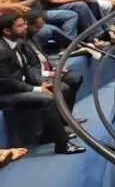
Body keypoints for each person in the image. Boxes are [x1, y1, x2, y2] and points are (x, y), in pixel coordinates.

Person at [0, 14, 85, 154]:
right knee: (47, 99)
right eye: (20, 26)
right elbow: (5, 81)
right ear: (7, 31)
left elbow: (26, 68)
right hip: (5, 94)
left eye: (24, 23)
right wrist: (36, 89)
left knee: (62, 87)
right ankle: (62, 144)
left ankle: (52, 132)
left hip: (19, 86)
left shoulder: (18, 43)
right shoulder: (1, 51)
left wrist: (40, 82)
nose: (25, 27)